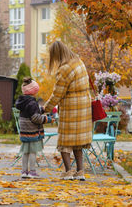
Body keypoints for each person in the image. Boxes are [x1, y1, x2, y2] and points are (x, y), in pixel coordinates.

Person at [43, 40, 92, 181]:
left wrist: (45, 109)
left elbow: (57, 94)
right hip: (84, 106)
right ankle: (80, 172)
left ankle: (68, 171)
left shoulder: (64, 69)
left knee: (65, 141)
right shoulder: (78, 62)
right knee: (78, 141)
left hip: (71, 107)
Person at [16, 76, 53, 179]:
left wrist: (41, 109)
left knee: (25, 152)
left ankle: (24, 171)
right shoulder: (32, 102)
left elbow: (31, 112)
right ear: (33, 91)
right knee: (32, 152)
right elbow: (35, 118)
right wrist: (48, 119)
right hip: (31, 130)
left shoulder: (23, 101)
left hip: (24, 130)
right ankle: (32, 171)